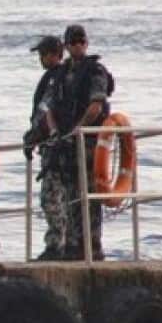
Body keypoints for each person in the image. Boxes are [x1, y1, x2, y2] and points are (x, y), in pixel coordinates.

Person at [54, 24, 115, 260]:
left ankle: (92, 245)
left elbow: (96, 104)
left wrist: (78, 129)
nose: (78, 45)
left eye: (82, 41)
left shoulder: (95, 71)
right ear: (67, 45)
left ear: (86, 43)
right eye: (73, 42)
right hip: (66, 142)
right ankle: (72, 244)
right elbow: (51, 104)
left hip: (88, 141)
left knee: (90, 194)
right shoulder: (61, 73)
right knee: (70, 194)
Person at [24, 35, 69, 260]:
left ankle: (56, 245)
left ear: (54, 55)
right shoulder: (57, 77)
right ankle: (65, 243)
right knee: (62, 197)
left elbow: (46, 110)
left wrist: (34, 135)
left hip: (55, 146)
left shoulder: (56, 78)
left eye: (43, 54)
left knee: (51, 198)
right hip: (54, 145)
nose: (41, 59)